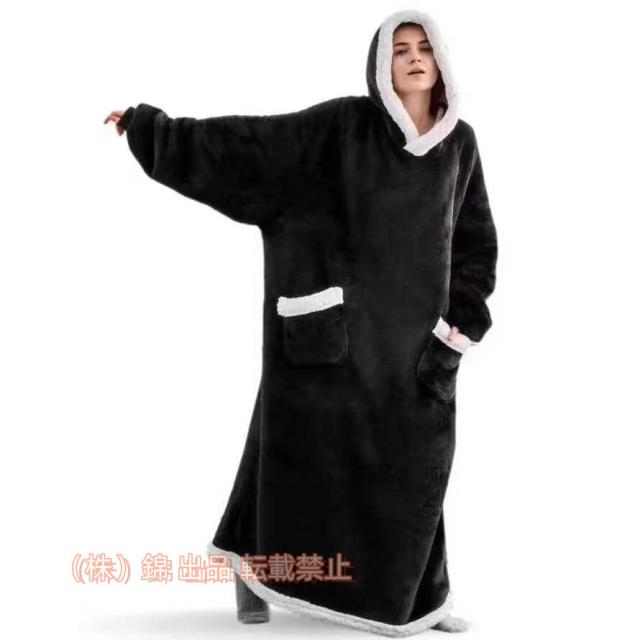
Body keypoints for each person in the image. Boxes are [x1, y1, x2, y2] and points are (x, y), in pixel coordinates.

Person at [105, 8, 497, 637]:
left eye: (424, 47)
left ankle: (419, 600)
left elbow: (475, 243)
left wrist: (460, 326)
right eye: (400, 49)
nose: (414, 58)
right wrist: (153, 131)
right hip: (335, 337)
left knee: (418, 467)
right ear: (381, 64)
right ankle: (254, 571)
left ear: (442, 60)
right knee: (292, 456)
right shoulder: (342, 127)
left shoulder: (461, 144)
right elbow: (252, 148)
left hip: (417, 346)